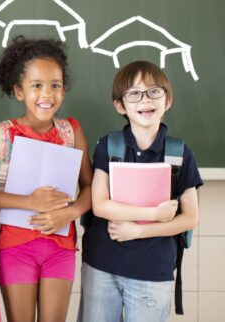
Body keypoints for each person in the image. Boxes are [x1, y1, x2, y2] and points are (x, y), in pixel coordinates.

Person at [0, 35, 93, 322]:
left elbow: (91, 185)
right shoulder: (2, 134)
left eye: (55, 85)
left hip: (61, 246)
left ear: (64, 90)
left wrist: (72, 211)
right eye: (36, 86)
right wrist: (29, 201)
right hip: (15, 247)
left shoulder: (71, 132)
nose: (47, 94)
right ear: (19, 91)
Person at [78, 60, 202, 321]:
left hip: (152, 270)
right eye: (134, 93)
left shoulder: (179, 153)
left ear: (167, 100)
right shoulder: (108, 146)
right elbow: (100, 205)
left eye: (154, 91)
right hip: (102, 265)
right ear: (120, 105)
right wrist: (154, 213)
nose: (145, 100)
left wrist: (139, 230)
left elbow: (190, 218)